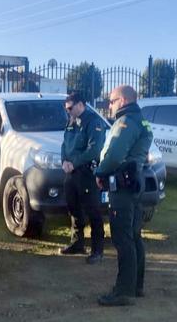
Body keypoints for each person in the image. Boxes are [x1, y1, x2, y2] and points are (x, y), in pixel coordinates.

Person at [95, 85, 153, 306]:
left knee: (122, 238)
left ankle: (123, 291)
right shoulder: (141, 120)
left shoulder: (126, 122)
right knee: (134, 235)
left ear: (123, 100)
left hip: (122, 184)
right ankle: (136, 285)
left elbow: (116, 153)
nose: (109, 105)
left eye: (111, 100)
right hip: (134, 182)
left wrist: (100, 172)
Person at [59, 91, 105, 264]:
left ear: (80, 104)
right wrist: (64, 161)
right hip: (70, 172)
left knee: (92, 210)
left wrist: (74, 162)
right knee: (74, 208)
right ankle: (77, 243)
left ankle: (97, 250)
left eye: (70, 108)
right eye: (67, 109)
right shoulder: (71, 120)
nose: (68, 112)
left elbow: (94, 149)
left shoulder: (93, 122)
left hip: (86, 172)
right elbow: (65, 143)